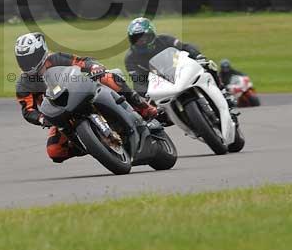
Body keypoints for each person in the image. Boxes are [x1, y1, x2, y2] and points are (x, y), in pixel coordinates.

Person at [14, 32, 157, 163]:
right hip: (59, 113)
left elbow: (82, 61)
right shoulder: (23, 84)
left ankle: (142, 107)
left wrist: (94, 67)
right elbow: (28, 110)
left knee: (108, 77)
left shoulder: (56, 59)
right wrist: (41, 118)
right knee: (55, 151)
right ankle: (90, 144)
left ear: (42, 51)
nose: (28, 63)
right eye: (23, 60)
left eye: (31, 58)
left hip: (79, 93)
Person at [124, 17, 232, 103]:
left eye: (144, 37)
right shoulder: (130, 58)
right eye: (137, 39)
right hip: (159, 82)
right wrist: (145, 93)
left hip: (180, 68)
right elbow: (137, 78)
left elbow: (185, 46)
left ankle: (222, 91)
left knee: (208, 65)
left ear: (151, 35)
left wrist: (198, 56)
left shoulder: (164, 39)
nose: (141, 41)